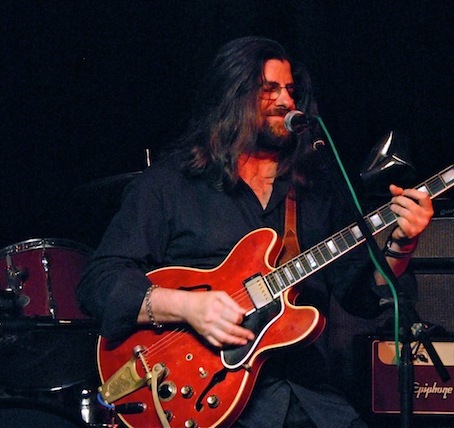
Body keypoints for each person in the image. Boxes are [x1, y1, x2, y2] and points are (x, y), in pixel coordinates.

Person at [77, 36, 433, 428]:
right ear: (231, 97)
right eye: (269, 89)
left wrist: (402, 244)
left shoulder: (318, 189)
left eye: (290, 90)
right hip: (205, 398)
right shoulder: (170, 185)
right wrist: (188, 307)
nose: (286, 101)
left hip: (308, 395)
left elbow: (362, 296)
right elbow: (99, 282)